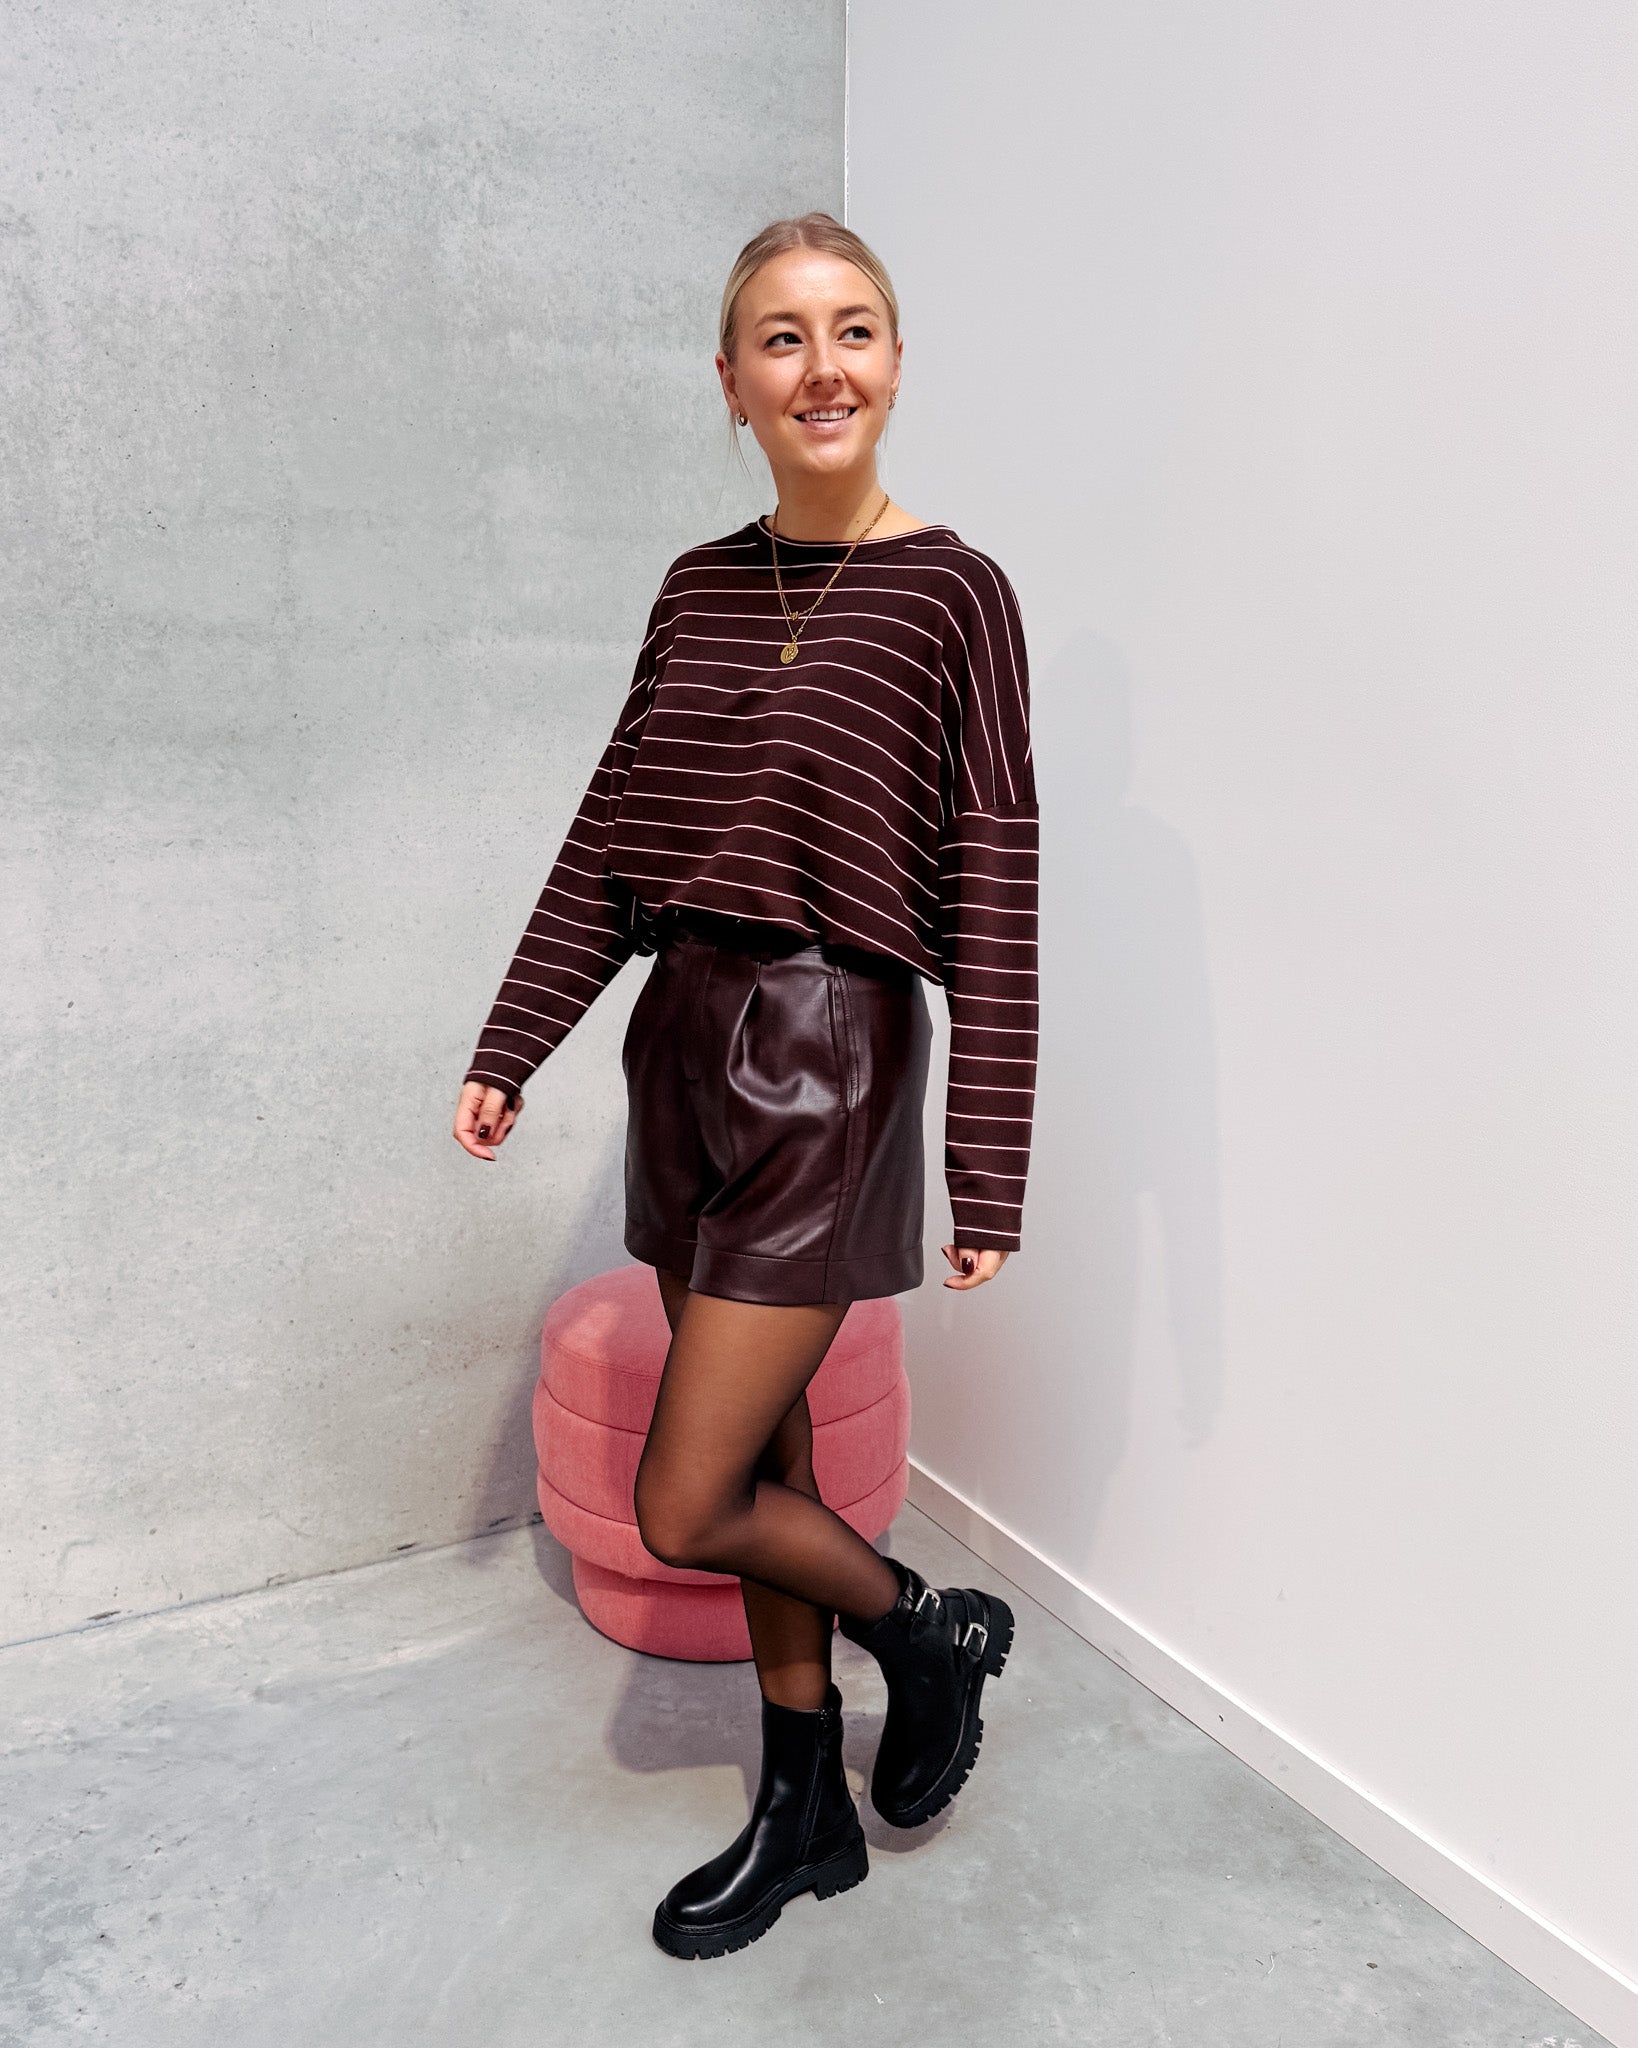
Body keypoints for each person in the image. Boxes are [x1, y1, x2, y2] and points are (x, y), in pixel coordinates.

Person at [452, 213, 1037, 1959]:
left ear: (897, 362)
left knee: (685, 1498)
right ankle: (804, 1811)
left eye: (852, 329)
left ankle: (925, 1633)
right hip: (682, 1049)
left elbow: (995, 879)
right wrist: (513, 1038)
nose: (820, 366)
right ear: (731, 383)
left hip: (829, 1055)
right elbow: (610, 837)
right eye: (781, 338)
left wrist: (985, 1165)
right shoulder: (696, 585)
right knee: (768, 1448)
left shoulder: (954, 593)